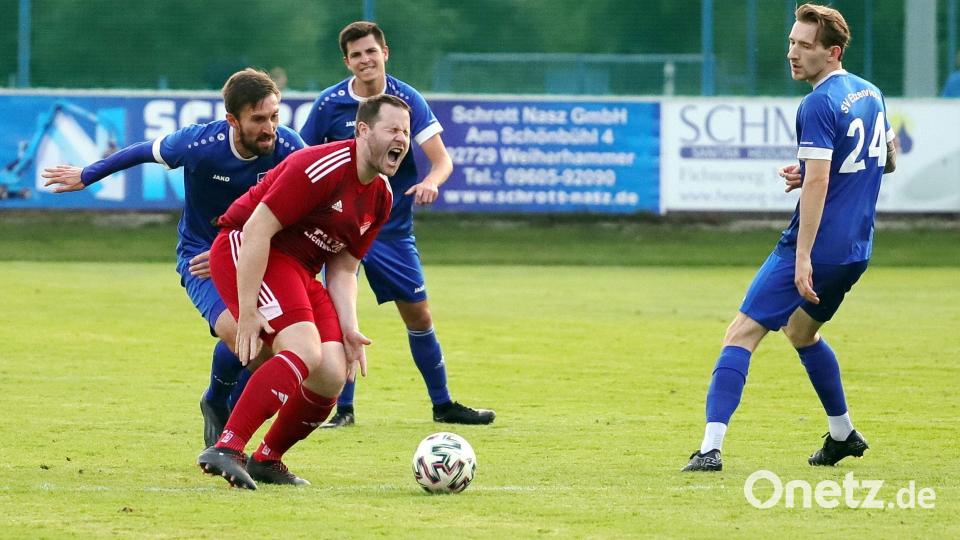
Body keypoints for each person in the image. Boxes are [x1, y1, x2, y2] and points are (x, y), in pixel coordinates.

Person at [682, 4, 897, 472]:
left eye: (804, 46)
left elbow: (821, 184)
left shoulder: (817, 103)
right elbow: (887, 158)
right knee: (802, 332)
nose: (792, 54)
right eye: (791, 42)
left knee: (741, 332)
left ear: (832, 52)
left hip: (816, 246)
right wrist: (815, 173)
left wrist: (803, 256)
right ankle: (842, 434)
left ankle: (710, 449)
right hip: (856, 249)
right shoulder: (870, 92)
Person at [41, 68, 305, 449]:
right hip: (200, 256)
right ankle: (218, 402)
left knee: (267, 349)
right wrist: (88, 173)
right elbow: (143, 151)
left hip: (257, 255)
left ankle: (224, 409)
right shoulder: (200, 144)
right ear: (233, 120)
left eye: (275, 116)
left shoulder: (290, 149)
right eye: (259, 119)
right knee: (250, 343)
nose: (270, 128)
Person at [196, 94, 406, 489]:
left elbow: (344, 268)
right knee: (304, 350)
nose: (402, 138)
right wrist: (246, 311)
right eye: (393, 129)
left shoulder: (382, 196)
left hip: (297, 270)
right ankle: (227, 447)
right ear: (362, 131)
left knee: (332, 373)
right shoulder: (321, 165)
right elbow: (256, 229)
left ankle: (267, 459)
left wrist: (349, 327)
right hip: (249, 247)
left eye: (405, 132)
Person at [300, 21, 495, 427]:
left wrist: (430, 181)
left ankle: (443, 405)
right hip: (336, 229)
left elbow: (442, 160)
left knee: (419, 315)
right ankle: (343, 410)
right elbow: (301, 159)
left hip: (389, 227)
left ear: (385, 52)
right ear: (347, 62)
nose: (365, 60)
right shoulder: (329, 105)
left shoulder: (407, 100)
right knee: (339, 313)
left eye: (371, 51)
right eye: (356, 55)